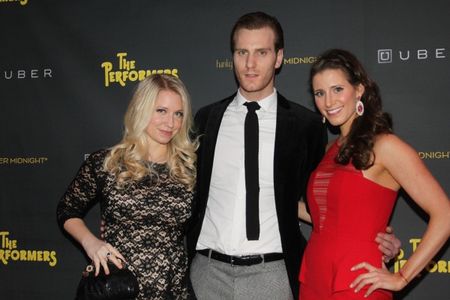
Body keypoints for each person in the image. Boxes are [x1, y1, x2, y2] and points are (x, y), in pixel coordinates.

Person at [187, 12, 401, 300]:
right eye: (242, 52)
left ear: (278, 58)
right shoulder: (206, 119)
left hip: (273, 275)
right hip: (207, 273)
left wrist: (373, 234)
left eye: (261, 52)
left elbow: (323, 200)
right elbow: (184, 189)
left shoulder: (306, 126)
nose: (250, 64)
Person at [298, 48, 450, 299]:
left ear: (359, 90)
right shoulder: (327, 150)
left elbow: (444, 214)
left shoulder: (385, 146)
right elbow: (326, 218)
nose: (328, 102)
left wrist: (402, 277)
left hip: (358, 282)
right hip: (313, 277)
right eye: (319, 93)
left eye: (337, 89)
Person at [57, 74, 198, 299]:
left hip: (173, 291)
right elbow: (67, 209)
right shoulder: (107, 163)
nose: (170, 123)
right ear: (142, 109)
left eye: (178, 114)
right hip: (119, 290)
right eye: (161, 111)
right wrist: (91, 243)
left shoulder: (191, 169)